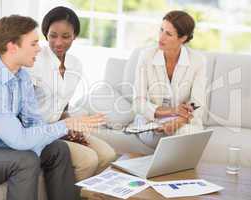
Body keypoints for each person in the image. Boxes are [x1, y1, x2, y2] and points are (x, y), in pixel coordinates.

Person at [0, 15, 106, 200]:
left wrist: (63, 130)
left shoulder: (22, 76)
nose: (40, 48)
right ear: (12, 47)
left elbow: (34, 123)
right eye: (33, 44)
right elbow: (19, 139)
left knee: (57, 149)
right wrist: (66, 125)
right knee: (25, 161)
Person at [27, 6, 116, 181]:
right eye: (53, 35)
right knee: (88, 159)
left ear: (75, 35)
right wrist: (61, 129)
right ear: (46, 34)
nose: (58, 42)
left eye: (66, 36)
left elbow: (62, 107)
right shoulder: (33, 62)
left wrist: (73, 128)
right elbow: (25, 113)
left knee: (108, 154)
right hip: (38, 133)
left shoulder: (76, 65)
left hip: (60, 128)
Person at [132, 10, 207, 148]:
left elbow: (197, 104)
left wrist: (178, 121)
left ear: (183, 38)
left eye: (168, 34)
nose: (161, 37)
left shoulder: (197, 61)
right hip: (151, 120)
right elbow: (138, 103)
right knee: (159, 136)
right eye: (161, 30)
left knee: (187, 135)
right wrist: (172, 111)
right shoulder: (146, 56)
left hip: (182, 121)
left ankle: (177, 168)